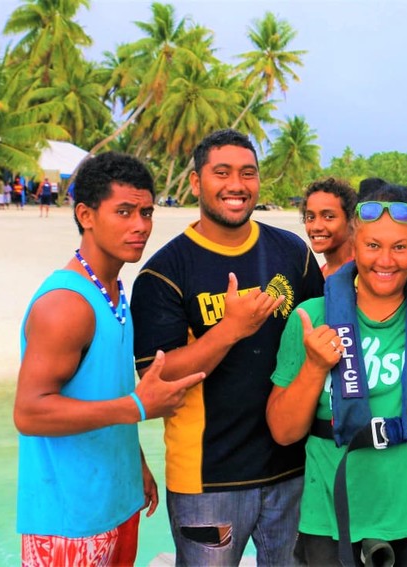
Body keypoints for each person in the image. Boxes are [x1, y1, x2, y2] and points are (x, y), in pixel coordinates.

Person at [268, 183, 407, 566]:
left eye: (400, 247)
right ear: (354, 245)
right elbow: (283, 431)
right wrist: (313, 367)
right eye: (373, 246)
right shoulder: (311, 318)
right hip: (334, 509)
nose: (386, 260)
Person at [130, 128, 325, 566]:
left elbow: (328, 331)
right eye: (222, 172)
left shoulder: (292, 252)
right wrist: (228, 330)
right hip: (208, 479)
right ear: (197, 182)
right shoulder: (163, 273)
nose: (237, 185)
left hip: (293, 469)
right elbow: (157, 379)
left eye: (248, 173)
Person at [14, 152, 205, 567]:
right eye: (124, 211)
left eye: (146, 212)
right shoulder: (66, 303)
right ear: (86, 215)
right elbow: (30, 412)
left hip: (117, 502)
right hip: (69, 520)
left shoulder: (115, 294)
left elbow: (105, 390)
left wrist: (135, 463)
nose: (140, 225)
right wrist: (139, 406)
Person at [301, 177, 357, 278]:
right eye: (310, 217)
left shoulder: (361, 276)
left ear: (352, 220)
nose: (316, 227)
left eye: (328, 217)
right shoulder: (319, 275)